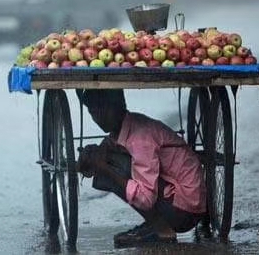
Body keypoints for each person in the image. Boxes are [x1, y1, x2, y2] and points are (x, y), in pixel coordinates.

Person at [75, 89, 206, 248]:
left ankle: (162, 229)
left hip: (184, 209)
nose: (99, 117)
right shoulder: (129, 124)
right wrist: (92, 155)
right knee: (107, 158)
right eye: (93, 112)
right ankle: (155, 222)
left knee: (109, 167)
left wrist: (104, 169)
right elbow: (108, 145)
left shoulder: (140, 138)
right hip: (184, 198)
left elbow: (145, 198)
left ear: (120, 105)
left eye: (104, 109)